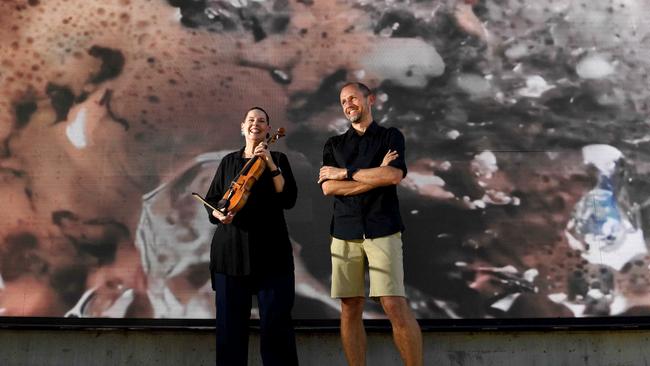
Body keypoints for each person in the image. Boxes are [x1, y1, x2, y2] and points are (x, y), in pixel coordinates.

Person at [318, 82, 423, 366]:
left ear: (370, 99)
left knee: (393, 304)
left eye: (353, 97)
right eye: (343, 101)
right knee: (350, 306)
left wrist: (346, 173)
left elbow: (393, 176)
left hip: (383, 229)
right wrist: (372, 176)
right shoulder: (334, 144)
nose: (348, 104)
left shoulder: (391, 136)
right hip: (344, 231)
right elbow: (328, 188)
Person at [204, 107, 299, 366]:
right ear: (243, 127)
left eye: (262, 121)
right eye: (251, 120)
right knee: (229, 329)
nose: (256, 124)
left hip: (271, 253)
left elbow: (288, 198)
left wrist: (269, 163)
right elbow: (213, 201)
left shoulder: (278, 158)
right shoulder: (228, 162)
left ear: (268, 129)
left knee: (276, 327)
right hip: (230, 253)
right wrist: (219, 215)